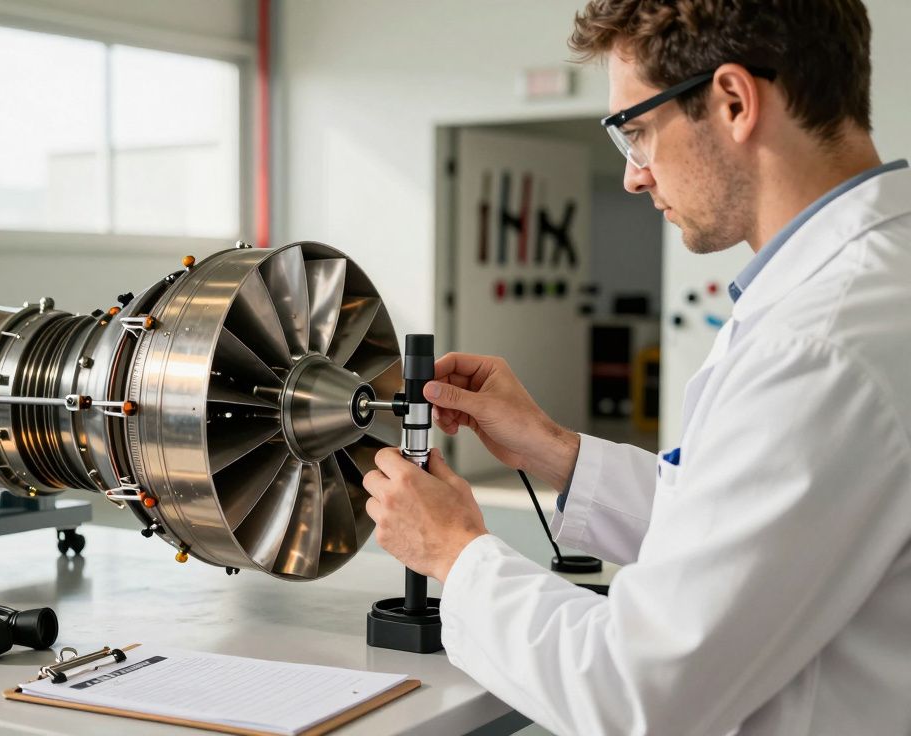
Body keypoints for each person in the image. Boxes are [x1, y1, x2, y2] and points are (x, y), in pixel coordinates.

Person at [361, 1, 911, 733]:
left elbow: (640, 690)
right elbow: (743, 531)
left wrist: (454, 553)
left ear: (734, 101)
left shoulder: (819, 346)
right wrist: (552, 450)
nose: (633, 176)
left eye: (639, 131)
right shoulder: (862, 286)